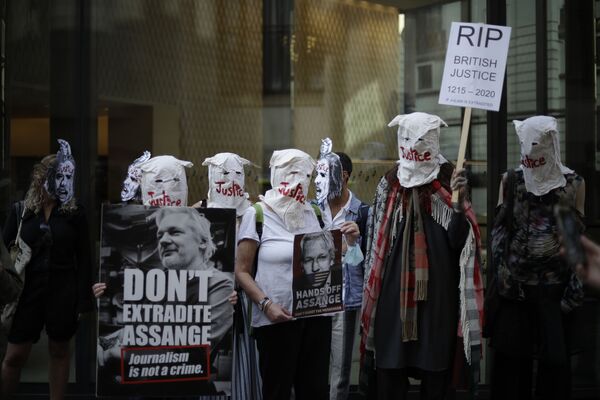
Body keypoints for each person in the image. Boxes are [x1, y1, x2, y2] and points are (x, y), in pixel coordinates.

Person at [361, 112, 483, 400]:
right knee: (390, 377)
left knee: (436, 378)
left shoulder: (449, 179)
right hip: (393, 300)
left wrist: (459, 204)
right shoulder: (389, 183)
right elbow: (375, 248)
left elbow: (459, 243)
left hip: (437, 302)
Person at [489, 116, 585, 400]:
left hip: (555, 291)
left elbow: (576, 237)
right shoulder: (510, 181)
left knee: (554, 373)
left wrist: (574, 290)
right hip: (516, 292)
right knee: (511, 375)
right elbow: (498, 235)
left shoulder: (574, 183)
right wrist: (504, 280)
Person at [1, 140, 94, 400]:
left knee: (59, 350)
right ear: (42, 179)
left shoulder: (75, 213)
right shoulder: (22, 212)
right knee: (15, 355)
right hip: (25, 293)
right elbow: (4, 250)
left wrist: (83, 302)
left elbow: (84, 258)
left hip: (62, 291)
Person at [236, 149, 332, 400]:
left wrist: (349, 242)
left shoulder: (316, 214)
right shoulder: (256, 214)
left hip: (315, 319)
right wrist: (266, 305)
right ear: (276, 173)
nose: (298, 179)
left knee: (315, 391)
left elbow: (328, 260)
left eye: (304, 173)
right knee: (277, 391)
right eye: (290, 172)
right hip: (276, 322)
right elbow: (242, 271)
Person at [313, 138, 369, 400]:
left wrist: (354, 243)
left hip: (344, 299)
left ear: (344, 176)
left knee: (340, 370)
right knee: (312, 366)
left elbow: (364, 265)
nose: (319, 180)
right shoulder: (312, 210)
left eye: (326, 173)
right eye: (319, 173)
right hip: (312, 297)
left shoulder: (361, 213)